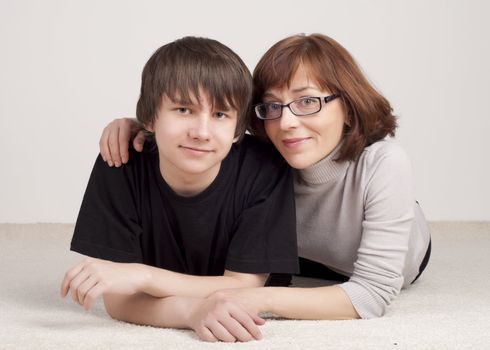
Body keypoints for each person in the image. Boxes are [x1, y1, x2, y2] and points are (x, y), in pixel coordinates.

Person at [99, 33, 431, 339]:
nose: (286, 123)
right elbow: (211, 126)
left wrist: (251, 298)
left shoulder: (384, 163)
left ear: (348, 105)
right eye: (273, 106)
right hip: (299, 259)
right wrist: (140, 128)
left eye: (307, 102)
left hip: (395, 256)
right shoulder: (265, 159)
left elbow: (371, 295)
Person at [60, 36, 299, 343]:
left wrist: (142, 276)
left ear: (238, 129)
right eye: (183, 109)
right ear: (149, 117)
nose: (201, 132)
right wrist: (190, 312)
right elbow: (119, 300)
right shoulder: (120, 160)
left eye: (220, 115)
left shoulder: (264, 168)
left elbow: (245, 287)